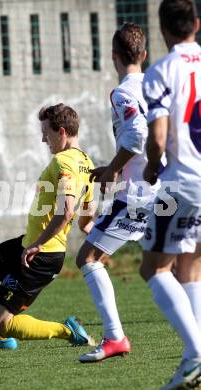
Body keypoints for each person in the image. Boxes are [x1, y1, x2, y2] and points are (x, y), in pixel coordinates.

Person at [0, 103, 96, 346]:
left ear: (62, 132)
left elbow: (65, 212)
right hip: (28, 245)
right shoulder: (86, 162)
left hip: (41, 254)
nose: (44, 139)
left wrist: (38, 244)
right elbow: (86, 213)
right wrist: (88, 230)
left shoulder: (64, 163)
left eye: (46, 132)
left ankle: (65, 331)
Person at [75, 23, 159, 362]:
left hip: (139, 193)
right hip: (171, 187)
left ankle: (114, 338)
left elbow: (137, 136)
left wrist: (113, 169)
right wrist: (114, 166)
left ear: (113, 56)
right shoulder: (158, 87)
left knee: (87, 258)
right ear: (145, 54)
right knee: (179, 266)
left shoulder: (123, 92)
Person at [140, 1, 201, 388]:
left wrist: (151, 166)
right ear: (196, 23)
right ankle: (191, 359)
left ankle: (196, 355)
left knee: (154, 267)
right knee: (190, 268)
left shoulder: (161, 71)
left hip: (182, 182)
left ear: (161, 28)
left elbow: (159, 138)